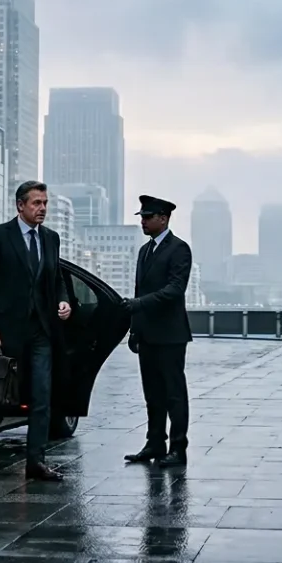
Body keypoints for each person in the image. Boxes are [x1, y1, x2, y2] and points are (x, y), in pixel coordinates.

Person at [0, 180, 72, 481]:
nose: (42, 209)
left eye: (45, 203)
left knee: (42, 396)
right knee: (2, 398)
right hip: (6, 331)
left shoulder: (51, 238)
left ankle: (36, 462)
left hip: (41, 331)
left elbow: (57, 279)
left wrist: (64, 300)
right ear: (20, 205)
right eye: (36, 203)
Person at [122, 195, 194, 467]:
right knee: (152, 393)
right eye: (141, 216)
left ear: (163, 218)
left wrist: (138, 305)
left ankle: (178, 449)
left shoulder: (179, 249)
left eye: (147, 216)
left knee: (174, 394)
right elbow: (140, 291)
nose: (142, 220)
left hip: (171, 335)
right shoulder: (144, 251)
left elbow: (175, 290)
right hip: (148, 335)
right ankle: (154, 444)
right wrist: (134, 331)